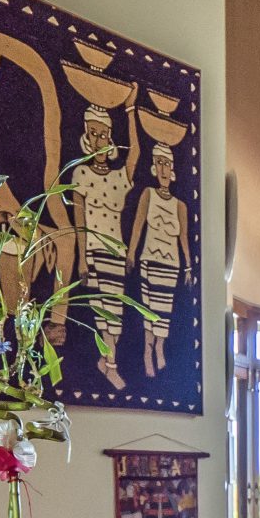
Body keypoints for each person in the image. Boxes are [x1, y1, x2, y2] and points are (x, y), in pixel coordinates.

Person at [65, 100, 135, 387]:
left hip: (115, 250)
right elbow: (79, 219)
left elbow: (136, 156)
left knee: (115, 312)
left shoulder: (119, 176)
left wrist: (131, 112)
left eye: (103, 134)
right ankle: (111, 365)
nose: (98, 140)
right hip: (94, 249)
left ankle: (106, 359)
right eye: (92, 134)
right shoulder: (80, 174)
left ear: (110, 137)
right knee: (104, 311)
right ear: (86, 136)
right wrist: (82, 258)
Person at [127, 141, 191, 380]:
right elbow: (138, 224)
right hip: (149, 259)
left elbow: (183, 236)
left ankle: (160, 350)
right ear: (154, 167)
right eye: (160, 163)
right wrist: (131, 253)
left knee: (165, 310)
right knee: (149, 310)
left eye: (167, 164)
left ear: (173, 169)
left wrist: (188, 267)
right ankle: (147, 351)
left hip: (171, 264)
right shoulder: (148, 194)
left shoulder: (180, 206)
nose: (164, 169)